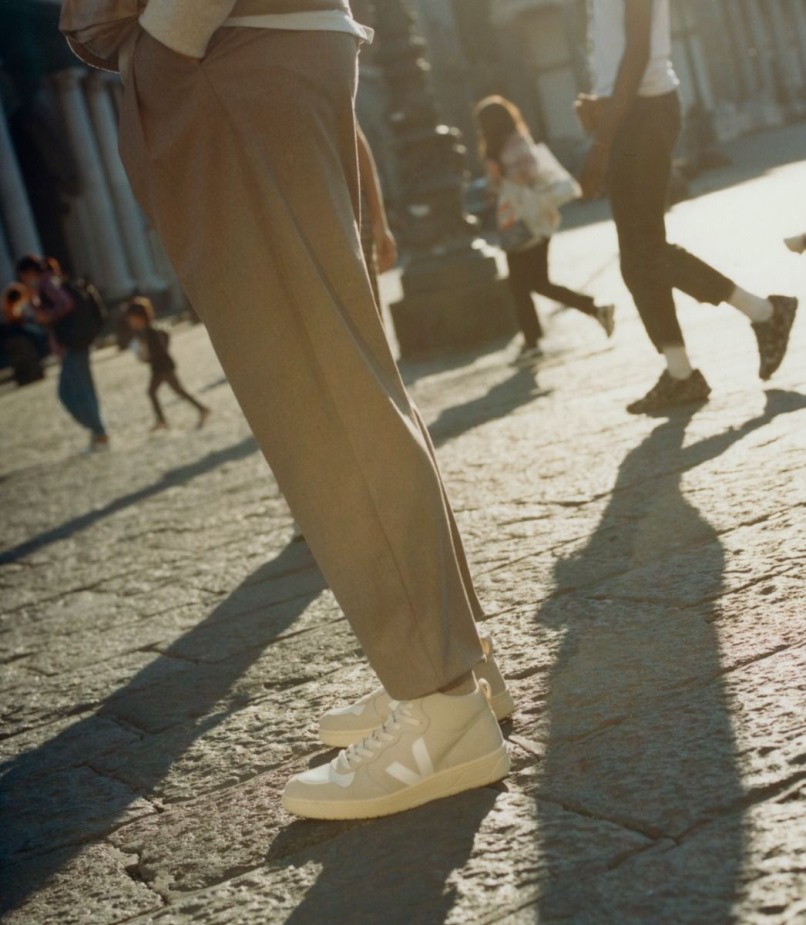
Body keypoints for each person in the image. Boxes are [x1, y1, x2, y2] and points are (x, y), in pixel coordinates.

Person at [60, 0, 512, 821]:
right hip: (265, 47)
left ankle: (443, 710)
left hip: (223, 52)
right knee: (347, 375)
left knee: (316, 391)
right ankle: (458, 664)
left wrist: (164, 49)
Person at [577, 0, 798, 414]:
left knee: (643, 251)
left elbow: (639, 51)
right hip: (631, 112)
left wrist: (603, 141)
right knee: (638, 256)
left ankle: (761, 315)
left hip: (644, 114)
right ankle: (685, 370)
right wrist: (600, 102)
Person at [475, 95, 615, 364]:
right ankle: (593, 311)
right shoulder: (519, 137)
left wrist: (499, 175)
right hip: (538, 218)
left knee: (521, 285)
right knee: (535, 283)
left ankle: (535, 343)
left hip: (520, 222)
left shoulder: (503, 148)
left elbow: (524, 174)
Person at [16, 255, 109, 449]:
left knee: (70, 393)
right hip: (72, 343)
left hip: (71, 344)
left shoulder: (47, 282)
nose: (23, 281)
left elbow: (66, 304)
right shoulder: (47, 283)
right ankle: (97, 432)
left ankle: (99, 432)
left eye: (22, 276)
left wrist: (47, 316)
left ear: (29, 272)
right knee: (81, 389)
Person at [123, 296, 210, 430]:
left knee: (177, 391)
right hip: (158, 369)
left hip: (164, 368)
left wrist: (146, 356)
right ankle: (162, 420)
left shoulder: (151, 332)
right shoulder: (143, 333)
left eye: (131, 319)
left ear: (139, 317)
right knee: (153, 392)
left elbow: (160, 350)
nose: (130, 322)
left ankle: (202, 409)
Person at [1, 283, 46, 386]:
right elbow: (13, 318)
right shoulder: (9, 305)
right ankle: (30, 376)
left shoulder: (8, 304)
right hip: (16, 335)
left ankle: (28, 377)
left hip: (15, 335)